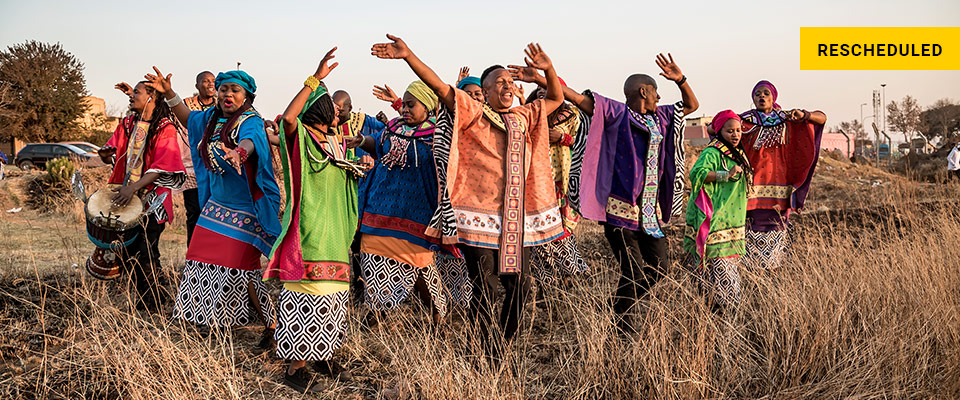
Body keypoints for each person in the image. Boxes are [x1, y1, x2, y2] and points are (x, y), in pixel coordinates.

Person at [372, 34, 566, 350]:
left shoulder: (523, 116)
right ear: (485, 93)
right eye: (497, 83)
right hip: (479, 219)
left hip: (516, 221)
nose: (505, 86)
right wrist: (409, 55)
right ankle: (480, 350)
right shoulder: (474, 113)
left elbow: (555, 99)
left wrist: (548, 70)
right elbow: (440, 88)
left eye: (509, 81)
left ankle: (505, 344)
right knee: (485, 287)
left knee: (521, 287)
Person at [563, 54, 699, 333]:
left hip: (649, 215)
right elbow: (578, 99)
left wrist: (681, 80)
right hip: (620, 214)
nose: (660, 96)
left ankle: (621, 306)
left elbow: (692, 105)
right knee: (633, 271)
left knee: (660, 267)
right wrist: (547, 75)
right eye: (656, 91)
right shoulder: (617, 113)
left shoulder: (661, 116)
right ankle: (623, 327)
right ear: (643, 91)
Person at [145, 67, 281, 345]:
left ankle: (271, 326)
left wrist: (240, 152)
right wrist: (169, 92)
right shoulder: (210, 118)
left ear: (247, 96)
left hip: (246, 207)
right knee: (199, 259)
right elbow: (187, 119)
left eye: (235, 90)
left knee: (241, 268)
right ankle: (207, 321)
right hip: (216, 205)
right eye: (224, 89)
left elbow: (251, 141)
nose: (228, 94)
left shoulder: (250, 120)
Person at [263, 48, 359, 392]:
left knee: (333, 295)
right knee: (309, 296)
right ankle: (294, 368)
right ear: (317, 107)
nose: (338, 109)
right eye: (331, 104)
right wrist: (314, 78)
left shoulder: (335, 142)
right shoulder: (301, 137)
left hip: (335, 231)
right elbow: (289, 119)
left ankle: (324, 354)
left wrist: (361, 169)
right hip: (311, 229)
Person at [346, 81, 469, 325]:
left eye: (411, 105)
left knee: (421, 265)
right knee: (373, 258)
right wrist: (361, 141)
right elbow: (378, 144)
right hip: (381, 207)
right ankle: (377, 311)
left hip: (417, 212)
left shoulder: (438, 134)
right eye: (403, 105)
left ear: (428, 107)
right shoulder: (392, 127)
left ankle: (436, 315)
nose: (405, 110)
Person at [96, 81, 186, 311]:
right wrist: (107, 155)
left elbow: (162, 167)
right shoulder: (128, 123)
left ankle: (152, 302)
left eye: (137, 92)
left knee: (146, 250)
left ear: (151, 97)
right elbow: (114, 151)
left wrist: (133, 187)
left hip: (152, 200)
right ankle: (154, 295)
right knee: (126, 250)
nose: (132, 95)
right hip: (126, 198)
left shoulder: (165, 127)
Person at [511, 70, 590, 289]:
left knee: (561, 231)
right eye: (538, 92)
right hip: (534, 180)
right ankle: (546, 280)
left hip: (561, 181)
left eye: (547, 91)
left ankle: (567, 274)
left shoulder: (573, 115)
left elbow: (587, 143)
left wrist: (563, 138)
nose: (541, 95)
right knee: (538, 231)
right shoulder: (527, 116)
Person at [736, 80, 825, 269]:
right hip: (751, 188)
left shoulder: (788, 117)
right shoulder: (744, 121)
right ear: (752, 98)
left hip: (779, 187)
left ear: (773, 97)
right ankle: (752, 274)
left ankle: (773, 272)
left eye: (766, 93)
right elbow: (716, 128)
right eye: (757, 93)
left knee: (776, 227)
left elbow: (822, 118)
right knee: (750, 228)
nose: (761, 97)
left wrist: (804, 115)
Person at [683, 110, 751, 310]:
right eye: (730, 131)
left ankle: (718, 312)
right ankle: (726, 311)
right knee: (721, 269)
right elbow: (697, 174)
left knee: (725, 268)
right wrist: (725, 175)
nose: (735, 134)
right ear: (720, 131)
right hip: (716, 219)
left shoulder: (737, 152)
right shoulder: (712, 152)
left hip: (732, 220)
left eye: (738, 130)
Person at [178, 71, 217, 245]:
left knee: (215, 211)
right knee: (194, 211)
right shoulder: (186, 105)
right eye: (205, 81)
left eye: (213, 81)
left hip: (215, 166)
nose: (210, 84)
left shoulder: (221, 106)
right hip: (192, 166)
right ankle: (193, 254)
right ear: (197, 86)